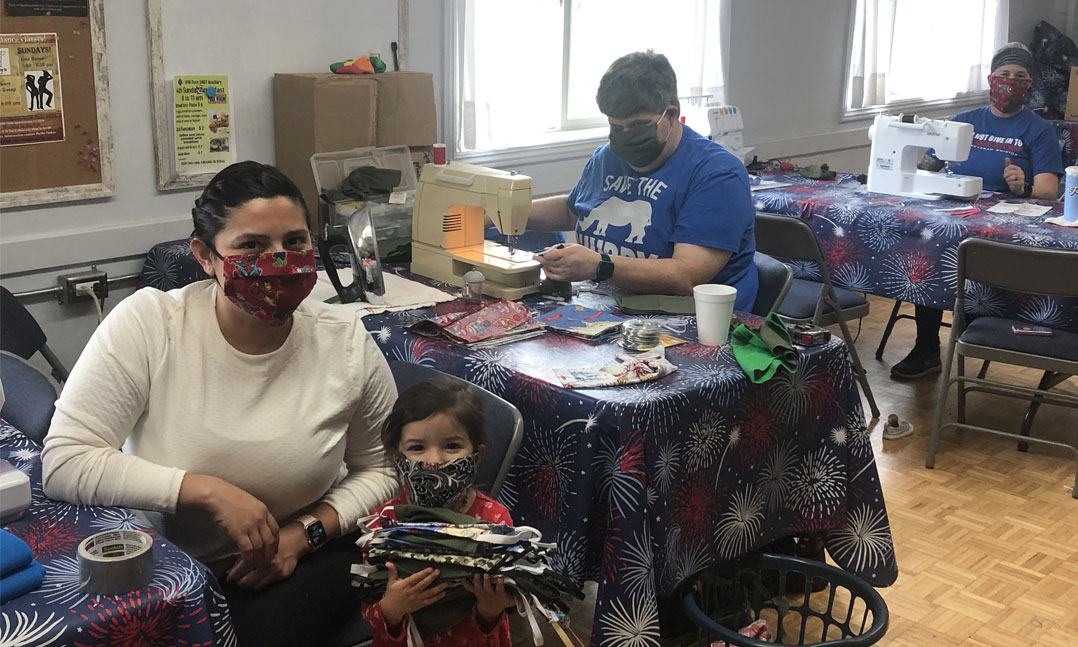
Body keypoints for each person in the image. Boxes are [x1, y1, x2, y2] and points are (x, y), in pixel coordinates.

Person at [41, 161, 399, 646]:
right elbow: (66, 461)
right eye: (251, 246)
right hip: (171, 565)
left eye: (295, 242)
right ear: (205, 257)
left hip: (304, 556)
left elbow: (384, 468)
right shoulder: (151, 324)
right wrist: (208, 492)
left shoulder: (343, 340)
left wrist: (305, 534)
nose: (279, 260)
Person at [528, 50, 758, 312]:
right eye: (617, 127)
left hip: (692, 317)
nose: (627, 137)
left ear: (671, 114)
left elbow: (687, 276)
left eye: (638, 126)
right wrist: (502, 213)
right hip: (612, 304)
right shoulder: (607, 157)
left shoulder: (717, 174)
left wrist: (600, 265)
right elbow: (573, 210)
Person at [892, 42, 1063, 380]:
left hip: (1002, 223)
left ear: (1029, 84)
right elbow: (928, 167)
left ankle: (975, 330)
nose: (1010, 81)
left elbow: (1048, 190)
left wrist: (1023, 185)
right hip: (955, 218)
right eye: (1004, 74)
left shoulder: (1038, 130)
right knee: (925, 249)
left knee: (960, 255)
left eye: (1020, 76)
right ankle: (927, 347)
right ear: (990, 79)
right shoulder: (963, 122)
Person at [361, 379, 514, 647]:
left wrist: (491, 608)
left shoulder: (495, 522)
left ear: (477, 456)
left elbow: (505, 606)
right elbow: (370, 611)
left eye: (452, 446)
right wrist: (392, 608)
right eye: (417, 448)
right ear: (397, 459)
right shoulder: (383, 524)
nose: (433, 461)